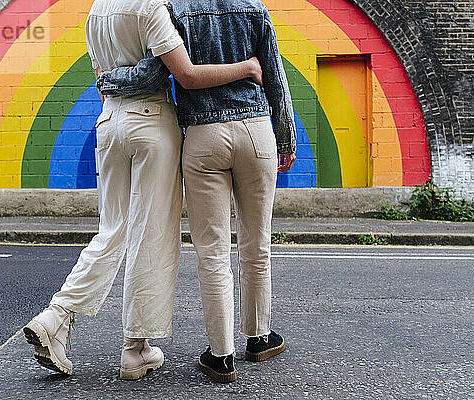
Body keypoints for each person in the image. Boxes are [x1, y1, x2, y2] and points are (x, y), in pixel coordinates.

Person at [23, 0, 263, 380]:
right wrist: (248, 67)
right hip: (151, 124)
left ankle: (57, 316)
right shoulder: (151, 8)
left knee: (113, 230)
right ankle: (135, 349)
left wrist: (114, 93)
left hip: (110, 122)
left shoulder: (96, 12)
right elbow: (184, 74)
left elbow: (102, 79)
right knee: (151, 235)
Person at [99, 0, 297, 383]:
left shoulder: (177, 10)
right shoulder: (253, 6)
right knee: (257, 243)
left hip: (204, 139)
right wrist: (286, 137)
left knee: (213, 253)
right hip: (256, 132)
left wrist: (109, 80)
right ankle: (259, 338)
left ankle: (221, 356)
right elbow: (275, 73)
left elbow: (151, 73)